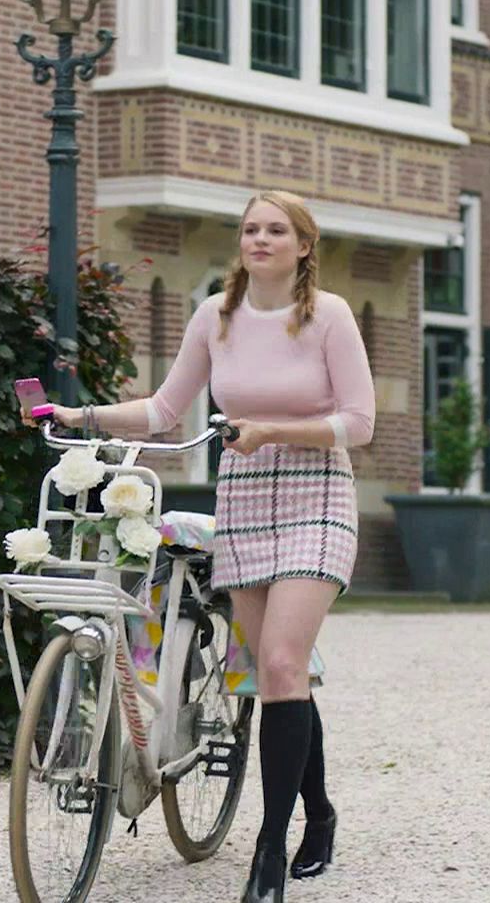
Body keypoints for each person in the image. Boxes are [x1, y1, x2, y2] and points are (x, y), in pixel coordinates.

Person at [26, 190, 374, 902]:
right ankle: (320, 813)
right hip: (242, 496)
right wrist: (80, 414)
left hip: (318, 496)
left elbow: (359, 423)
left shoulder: (330, 316)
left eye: (276, 230)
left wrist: (273, 430)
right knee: (272, 673)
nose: (260, 240)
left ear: (304, 246)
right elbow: (163, 410)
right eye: (250, 229)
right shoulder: (215, 315)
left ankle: (269, 854)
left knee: (283, 660)